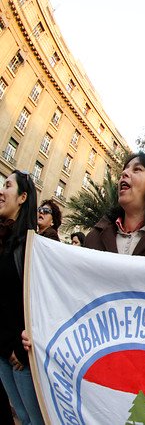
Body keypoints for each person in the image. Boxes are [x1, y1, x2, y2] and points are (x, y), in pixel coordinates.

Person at [0, 170, 45, 424]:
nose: (1, 191)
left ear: (22, 197)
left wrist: (20, 346)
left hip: (20, 358)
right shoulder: (2, 240)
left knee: (32, 420)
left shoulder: (31, 247)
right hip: (2, 351)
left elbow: (38, 303)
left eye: (7, 185)